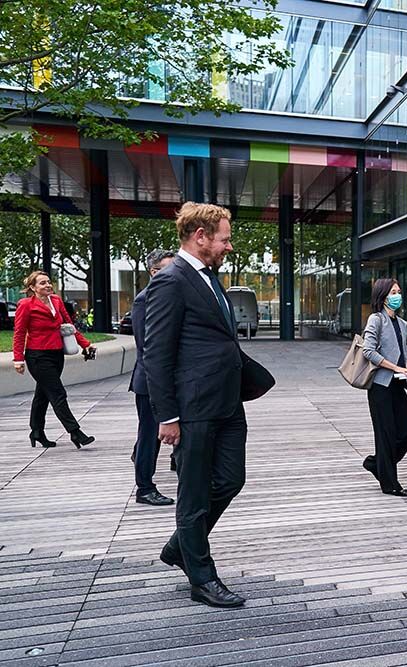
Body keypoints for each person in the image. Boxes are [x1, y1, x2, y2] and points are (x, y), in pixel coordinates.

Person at [144, 202, 248, 608]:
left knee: (231, 480)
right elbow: (156, 355)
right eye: (224, 238)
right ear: (200, 236)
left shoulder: (207, 277)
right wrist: (167, 416)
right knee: (192, 496)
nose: (229, 246)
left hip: (227, 403)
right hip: (193, 409)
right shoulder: (171, 280)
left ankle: (178, 546)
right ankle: (201, 578)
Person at [12, 271, 96, 449]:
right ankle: (75, 432)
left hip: (57, 353)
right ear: (33, 288)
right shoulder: (26, 305)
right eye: (42, 283)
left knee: (42, 395)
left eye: (49, 282)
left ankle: (36, 431)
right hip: (37, 355)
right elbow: (19, 333)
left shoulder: (56, 301)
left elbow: (68, 327)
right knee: (58, 393)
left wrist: (85, 344)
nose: (47, 285)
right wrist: (18, 358)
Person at [128, 249, 176, 507]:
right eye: (169, 268)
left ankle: (169, 462)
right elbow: (146, 346)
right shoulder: (144, 300)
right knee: (150, 436)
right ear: (154, 272)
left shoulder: (166, 297)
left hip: (167, 380)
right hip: (150, 382)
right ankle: (144, 488)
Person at [361, 277, 407, 497]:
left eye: (399, 291)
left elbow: (399, 355)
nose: (397, 296)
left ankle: (377, 464)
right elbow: (369, 351)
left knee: (406, 432)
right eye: (393, 292)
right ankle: (390, 483)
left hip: (398, 386)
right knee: (386, 434)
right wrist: (395, 367)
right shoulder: (376, 320)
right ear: (383, 296)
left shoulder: (403, 324)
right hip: (380, 386)